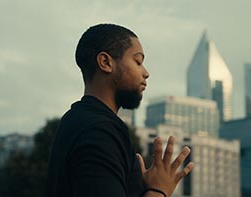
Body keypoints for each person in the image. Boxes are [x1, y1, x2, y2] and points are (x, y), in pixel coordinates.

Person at [45, 23, 194, 197]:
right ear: (106, 62)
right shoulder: (98, 131)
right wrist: (159, 190)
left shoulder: (76, 120)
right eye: (138, 61)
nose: (146, 73)